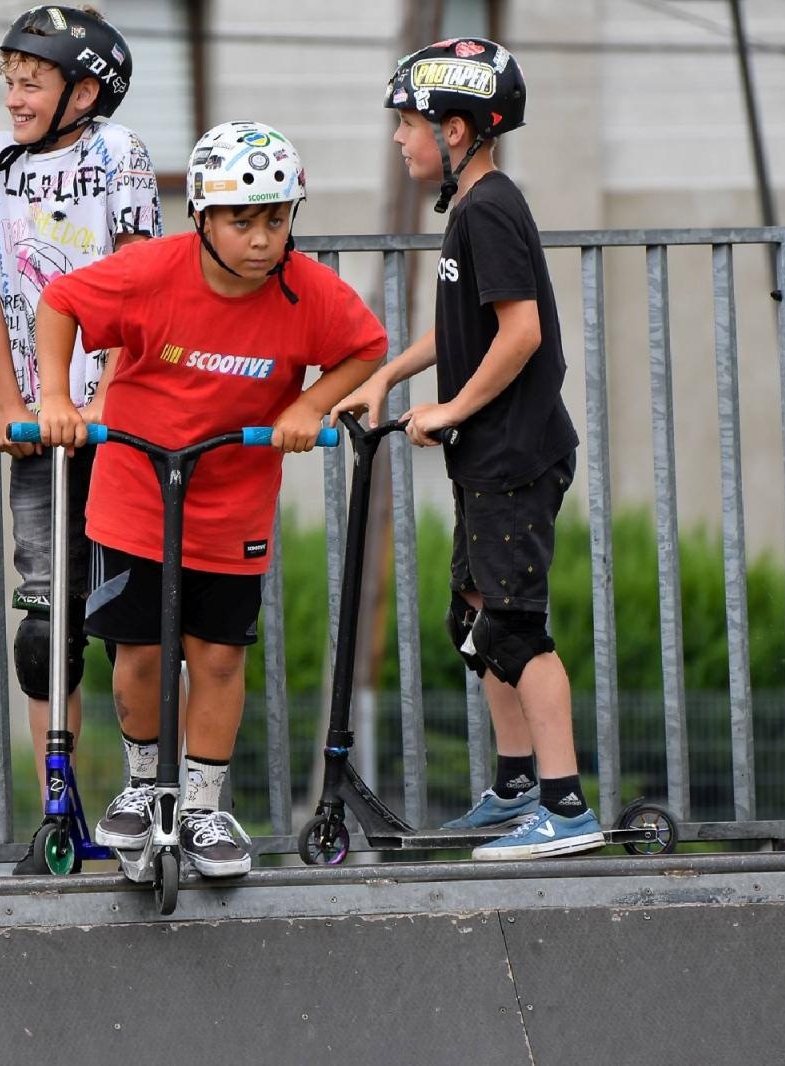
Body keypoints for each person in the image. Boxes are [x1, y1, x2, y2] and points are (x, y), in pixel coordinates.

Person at [38, 122, 386, 877]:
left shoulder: (309, 293)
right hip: (136, 493)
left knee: (219, 658)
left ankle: (199, 806)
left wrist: (311, 406)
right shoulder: (150, 271)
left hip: (231, 506)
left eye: (276, 218)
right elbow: (61, 300)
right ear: (200, 214)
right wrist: (57, 397)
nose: (261, 239)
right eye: (242, 220)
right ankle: (140, 786)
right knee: (138, 655)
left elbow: (366, 348)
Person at [333, 37, 599, 860]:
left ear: (456, 130)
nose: (399, 139)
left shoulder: (489, 208)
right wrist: (387, 378)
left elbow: (519, 335)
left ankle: (565, 806)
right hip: (491, 457)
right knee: (476, 619)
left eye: (407, 124)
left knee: (514, 629)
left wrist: (449, 408)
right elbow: (463, 330)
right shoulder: (474, 208)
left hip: (514, 454)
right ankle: (517, 787)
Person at [0, 4, 161, 874]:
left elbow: (143, 280)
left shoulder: (122, 156)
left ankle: (150, 799)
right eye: (11, 80)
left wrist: (107, 395)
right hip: (39, 428)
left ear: (84, 90)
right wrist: (8, 401)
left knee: (132, 621)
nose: (15, 97)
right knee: (45, 627)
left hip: (118, 421)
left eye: (32, 82)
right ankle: (58, 811)